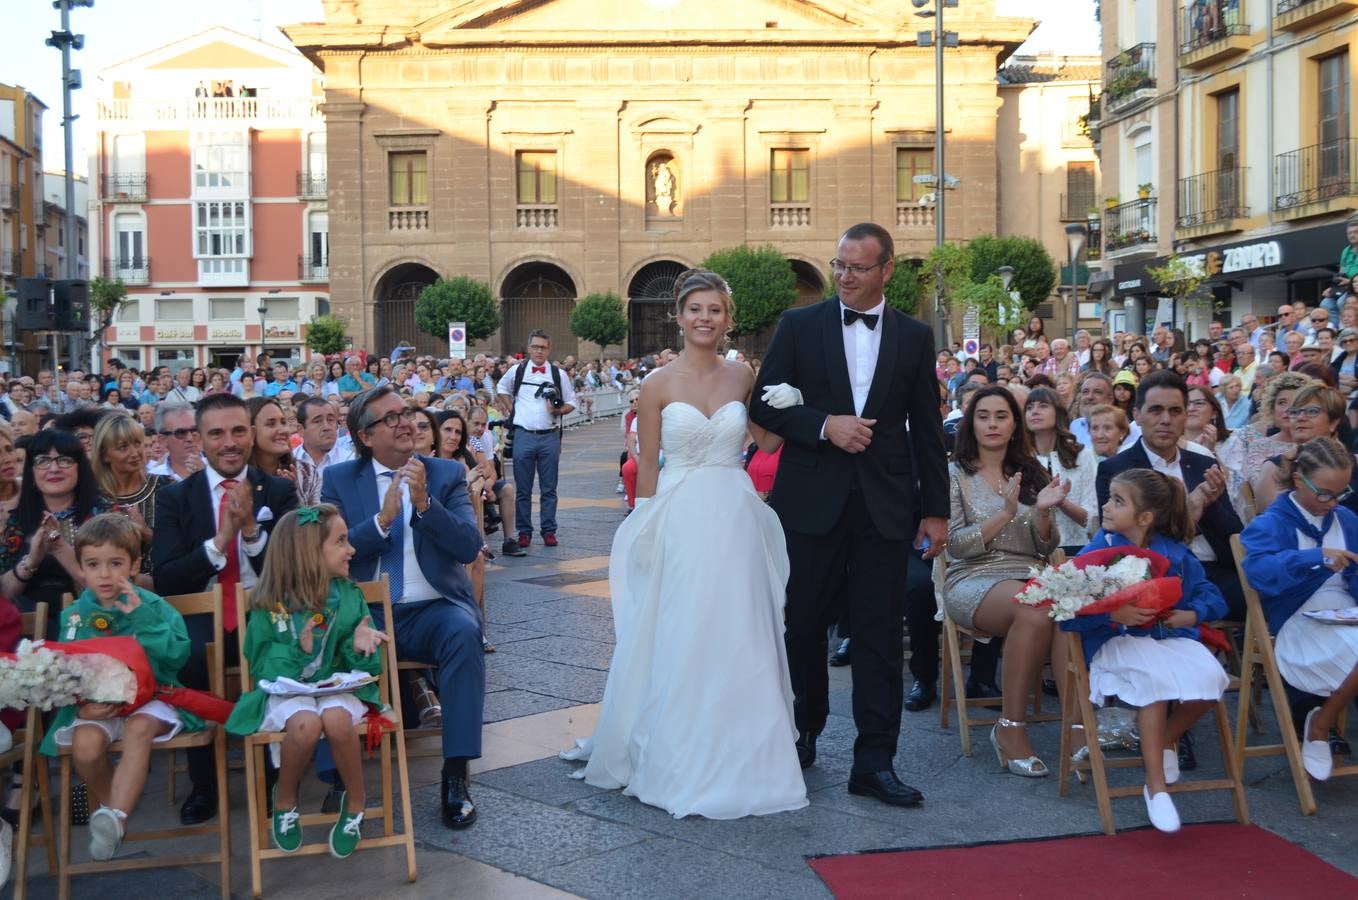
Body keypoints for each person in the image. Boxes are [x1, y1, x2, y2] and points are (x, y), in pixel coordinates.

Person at [564, 268, 808, 819]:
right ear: (678, 317)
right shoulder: (657, 385)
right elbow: (647, 463)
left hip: (733, 512)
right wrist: (645, 526)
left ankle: (750, 754)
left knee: (741, 626)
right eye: (695, 309)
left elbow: (767, 439)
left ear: (728, 319)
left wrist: (787, 400)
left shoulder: (743, 376)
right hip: (678, 513)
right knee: (683, 626)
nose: (705, 318)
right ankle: (677, 752)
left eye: (715, 310)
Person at [750, 223, 949, 808]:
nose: (844, 276)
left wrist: (935, 510)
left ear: (886, 270)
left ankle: (875, 762)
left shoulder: (914, 336)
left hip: (885, 508)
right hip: (810, 501)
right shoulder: (799, 324)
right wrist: (821, 425)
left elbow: (929, 431)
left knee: (880, 638)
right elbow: (763, 401)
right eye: (838, 265)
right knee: (802, 627)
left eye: (857, 268)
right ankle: (803, 730)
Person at [321, 385, 486, 830]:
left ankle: (455, 773)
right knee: (324, 640)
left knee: (464, 633)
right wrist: (382, 521)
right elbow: (326, 552)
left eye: (406, 413)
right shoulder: (340, 480)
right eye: (389, 418)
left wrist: (424, 505)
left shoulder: (445, 473)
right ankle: (335, 776)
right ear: (364, 436)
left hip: (434, 606)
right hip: (367, 613)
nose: (405, 422)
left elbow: (469, 546)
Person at [152, 393, 298, 825]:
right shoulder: (176, 499)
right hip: (204, 614)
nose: (229, 442)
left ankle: (277, 779)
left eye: (238, 431)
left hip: (264, 611)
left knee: (278, 655)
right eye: (217, 433)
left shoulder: (279, 491)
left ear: (251, 435)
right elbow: (167, 577)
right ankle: (204, 783)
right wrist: (218, 544)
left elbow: (289, 571)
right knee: (190, 656)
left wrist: (251, 532)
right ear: (200, 439)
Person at [1063, 470, 1229, 832]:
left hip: (1169, 639)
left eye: (1117, 501)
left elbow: (1212, 595)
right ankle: (1155, 788)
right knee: (1154, 685)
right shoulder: (1098, 552)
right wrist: (1112, 614)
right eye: (1109, 497)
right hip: (1117, 643)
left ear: (1145, 518)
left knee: (1213, 679)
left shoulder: (1177, 553)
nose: (1106, 505)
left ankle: (1167, 736)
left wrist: (1194, 612)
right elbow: (1067, 615)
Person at [225, 505, 388, 858]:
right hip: (288, 691)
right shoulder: (270, 604)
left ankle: (356, 801)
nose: (352, 549)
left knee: (335, 719)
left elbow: (364, 664)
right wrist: (299, 651)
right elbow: (263, 667)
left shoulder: (348, 595)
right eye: (341, 541)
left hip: (336, 687)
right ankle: (285, 798)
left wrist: (361, 647)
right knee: (304, 725)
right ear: (310, 553)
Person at [35, 514, 198, 860]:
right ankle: (112, 813)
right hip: (100, 703)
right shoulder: (75, 616)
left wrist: (142, 619)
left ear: (135, 564)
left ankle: (116, 816)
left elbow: (177, 655)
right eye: (93, 564)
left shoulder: (155, 607)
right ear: (81, 567)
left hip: (151, 699)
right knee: (85, 746)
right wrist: (82, 706)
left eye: (115, 563)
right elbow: (65, 669)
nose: (105, 574)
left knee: (139, 729)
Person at [943, 386, 1068, 776]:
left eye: (1001, 415)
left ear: (1015, 423)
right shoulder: (953, 473)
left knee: (1068, 611)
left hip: (1031, 573)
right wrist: (1005, 513)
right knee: (1036, 605)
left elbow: (1046, 545)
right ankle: (1010, 729)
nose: (993, 423)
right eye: (983, 416)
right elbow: (954, 546)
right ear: (971, 423)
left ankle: (1079, 728)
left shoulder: (1032, 470)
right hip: (973, 577)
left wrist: (1044, 515)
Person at [1241, 437, 1358, 782]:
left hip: (1347, 616)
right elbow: (1258, 572)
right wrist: (1314, 556)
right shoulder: (1272, 522)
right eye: (1323, 493)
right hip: (1300, 620)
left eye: (1340, 493)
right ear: (1297, 480)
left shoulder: (1346, 520)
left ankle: (1320, 719)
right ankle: (1320, 724)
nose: (1332, 502)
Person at [1096, 371, 1245, 625]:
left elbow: (1233, 532)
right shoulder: (1117, 469)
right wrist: (1190, 508)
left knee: (1265, 592)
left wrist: (1213, 502)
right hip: (1153, 573)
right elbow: (1118, 536)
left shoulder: (1203, 463)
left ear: (1186, 416)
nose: (1166, 420)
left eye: (1175, 411)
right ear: (1137, 416)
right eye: (1156, 410)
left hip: (1211, 569)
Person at [0, 430, 109, 639]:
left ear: (80, 467)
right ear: (31, 472)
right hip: (28, 632)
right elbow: (4, 594)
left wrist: (59, 548)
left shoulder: (104, 514)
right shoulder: (17, 521)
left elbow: (112, 585)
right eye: (43, 461)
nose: (54, 468)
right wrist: (31, 561)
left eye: (65, 460)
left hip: (95, 620)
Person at [497, 331, 576, 548]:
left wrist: (559, 410)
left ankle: (549, 530)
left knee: (549, 488)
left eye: (543, 347)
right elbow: (501, 388)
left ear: (549, 349)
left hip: (550, 436)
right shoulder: (518, 370)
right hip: (523, 435)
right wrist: (512, 409)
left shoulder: (558, 374)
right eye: (535, 347)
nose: (539, 351)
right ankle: (524, 531)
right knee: (523, 488)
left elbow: (571, 402)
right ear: (529, 348)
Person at [90, 412, 171, 588]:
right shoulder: (93, 499)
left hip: (166, 595)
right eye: (123, 447)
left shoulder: (166, 487)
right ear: (105, 455)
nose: (135, 453)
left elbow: (181, 549)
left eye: (137, 444)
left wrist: (146, 533)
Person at [1024, 387, 1098, 553]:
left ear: (1058, 413)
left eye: (1043, 405)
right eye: (1029, 407)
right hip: (1030, 552)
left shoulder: (1081, 455)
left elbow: (1092, 518)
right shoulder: (1019, 458)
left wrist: (1062, 502)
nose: (1034, 411)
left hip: (1076, 549)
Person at [248, 397, 320, 506]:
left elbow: (316, 521)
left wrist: (294, 493)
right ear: (251, 432)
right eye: (271, 424)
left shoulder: (306, 473)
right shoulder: (236, 478)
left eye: (283, 422)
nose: (284, 430)